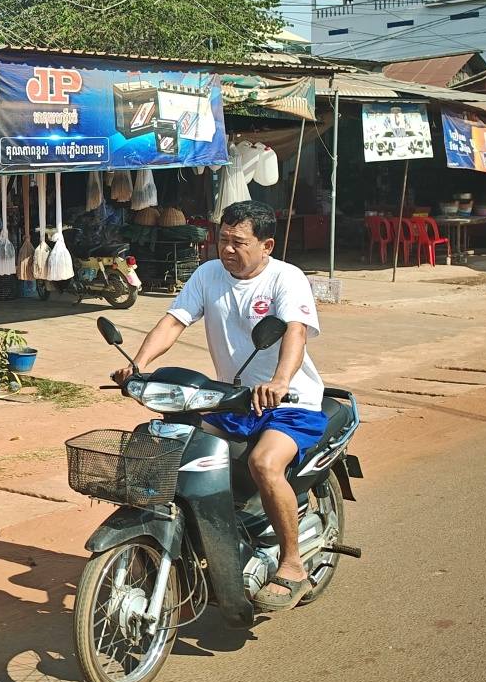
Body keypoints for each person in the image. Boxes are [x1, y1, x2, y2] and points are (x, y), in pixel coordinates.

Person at [113, 200, 326, 611]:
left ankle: (293, 564)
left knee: (264, 464)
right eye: (221, 239)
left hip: (290, 402)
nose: (226, 249)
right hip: (233, 401)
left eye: (237, 242)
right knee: (173, 446)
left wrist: (280, 381)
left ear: (266, 245)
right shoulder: (209, 274)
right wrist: (138, 365)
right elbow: (175, 320)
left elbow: (294, 334)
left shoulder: (288, 278)